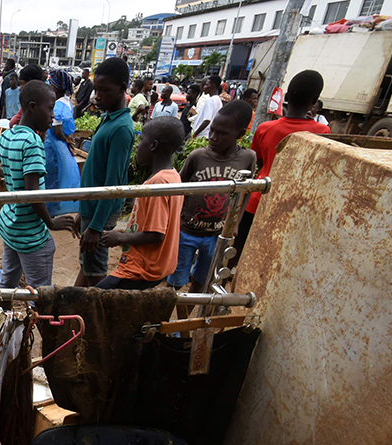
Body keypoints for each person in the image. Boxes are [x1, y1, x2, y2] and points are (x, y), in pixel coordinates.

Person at [0, 81, 72, 288]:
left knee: (7, 283)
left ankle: (4, 309)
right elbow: (32, 195)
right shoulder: (32, 142)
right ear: (33, 107)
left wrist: (7, 173)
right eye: (50, 108)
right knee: (40, 293)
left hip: (11, 226)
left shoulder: (8, 136)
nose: (52, 115)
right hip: (30, 233)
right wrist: (51, 223)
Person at [235, 70, 329, 267]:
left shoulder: (266, 128)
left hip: (259, 199)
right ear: (314, 102)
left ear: (286, 97)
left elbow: (258, 163)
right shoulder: (322, 132)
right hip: (295, 203)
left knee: (241, 251)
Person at [168, 100, 256, 305]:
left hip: (217, 234)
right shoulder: (197, 156)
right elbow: (179, 189)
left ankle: (186, 320)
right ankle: (170, 312)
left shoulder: (247, 158)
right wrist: (175, 221)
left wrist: (236, 223)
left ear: (239, 134)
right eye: (213, 130)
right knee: (176, 280)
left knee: (204, 279)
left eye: (222, 133)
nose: (213, 137)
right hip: (187, 231)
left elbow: (246, 192)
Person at [96, 116, 185, 290]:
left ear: (153, 145)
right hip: (156, 267)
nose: (137, 146)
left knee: (94, 297)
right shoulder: (173, 176)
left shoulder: (158, 183)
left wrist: (120, 238)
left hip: (141, 269)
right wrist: (124, 232)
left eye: (141, 140)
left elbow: (156, 234)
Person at [75, 57, 136, 287]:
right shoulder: (109, 119)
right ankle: (69, 306)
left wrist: (96, 227)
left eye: (104, 90)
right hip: (92, 207)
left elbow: (113, 184)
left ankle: (100, 307)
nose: (97, 96)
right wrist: (84, 211)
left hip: (100, 210)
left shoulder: (121, 128)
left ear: (122, 88)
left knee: (95, 273)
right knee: (88, 265)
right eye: (96, 89)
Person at [45, 70, 81, 217]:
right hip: (61, 145)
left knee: (51, 176)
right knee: (60, 176)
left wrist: (64, 138)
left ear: (55, 87)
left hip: (54, 145)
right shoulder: (67, 102)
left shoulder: (58, 105)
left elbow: (57, 129)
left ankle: (50, 211)